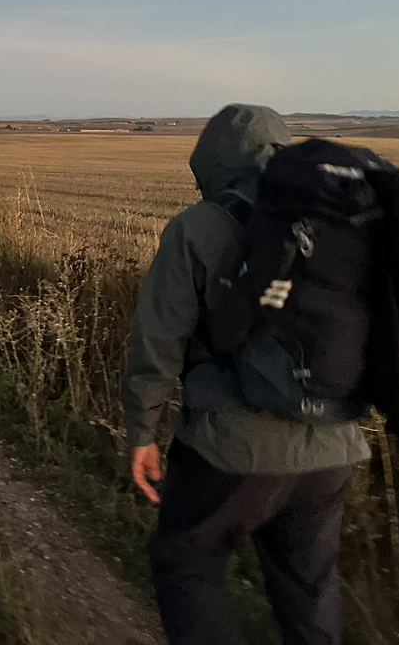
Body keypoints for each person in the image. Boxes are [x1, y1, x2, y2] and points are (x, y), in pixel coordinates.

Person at [122, 104, 370, 645]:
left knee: (187, 564)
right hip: (333, 447)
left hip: (231, 449)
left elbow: (158, 341)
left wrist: (142, 432)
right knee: (308, 591)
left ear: (212, 162)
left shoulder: (197, 228)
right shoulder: (340, 220)